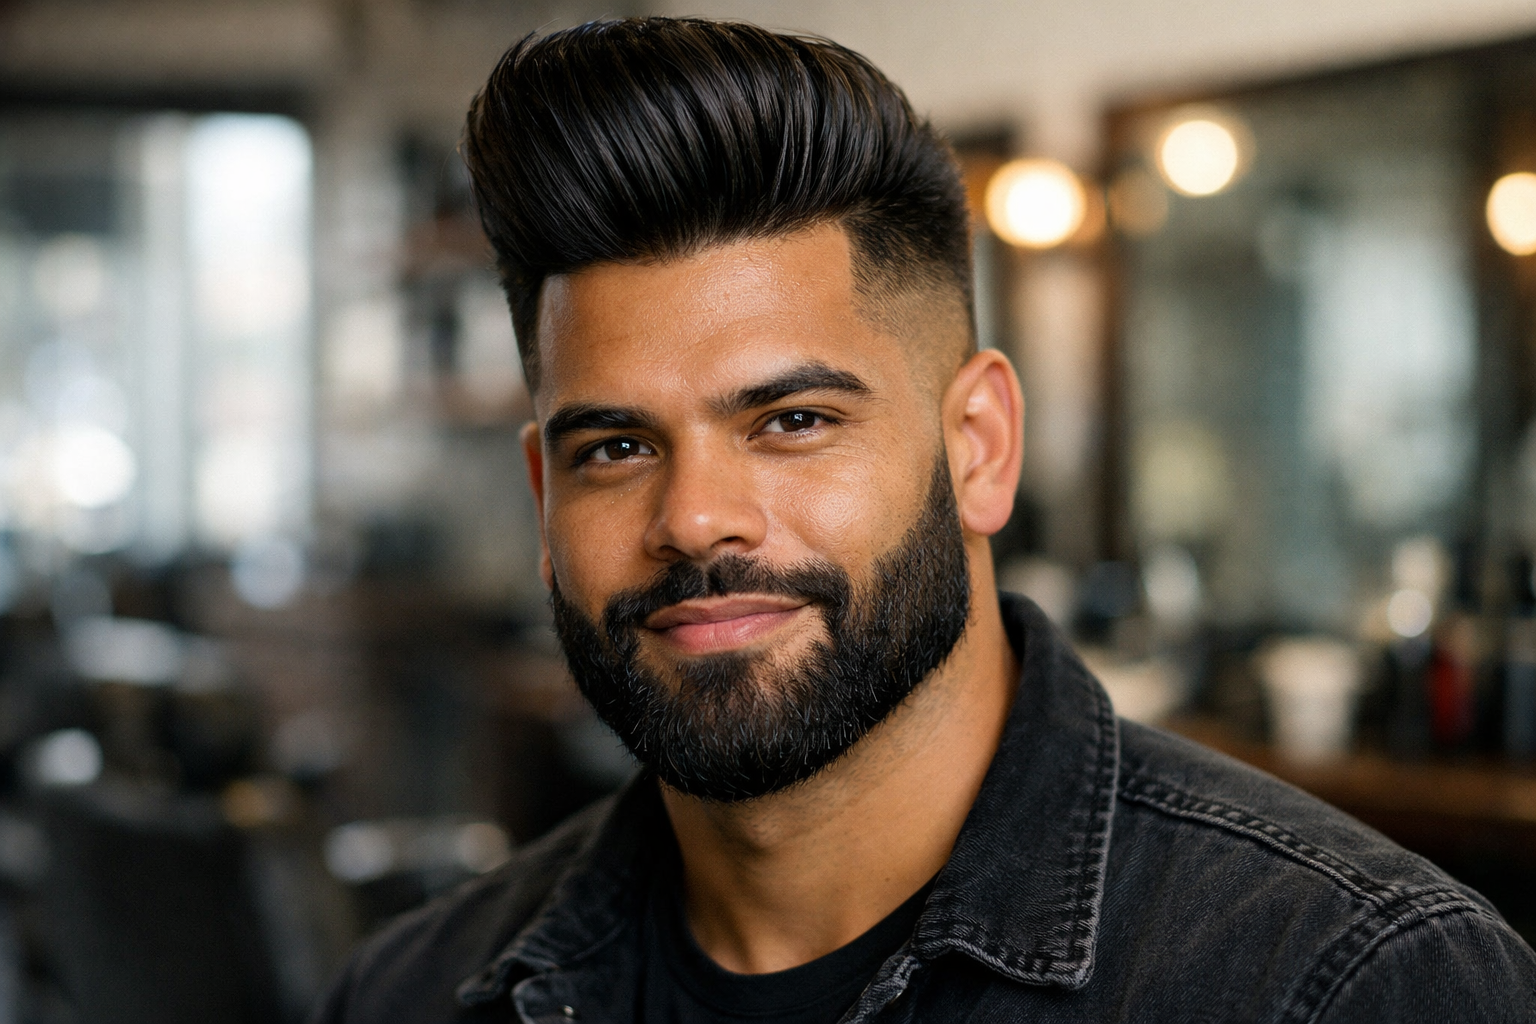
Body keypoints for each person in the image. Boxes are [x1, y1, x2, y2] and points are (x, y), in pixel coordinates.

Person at [314, 18, 1536, 1024]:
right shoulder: (419, 993)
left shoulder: (1346, 982)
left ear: (979, 448)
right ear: (544, 498)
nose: (692, 520)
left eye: (792, 420)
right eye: (617, 447)